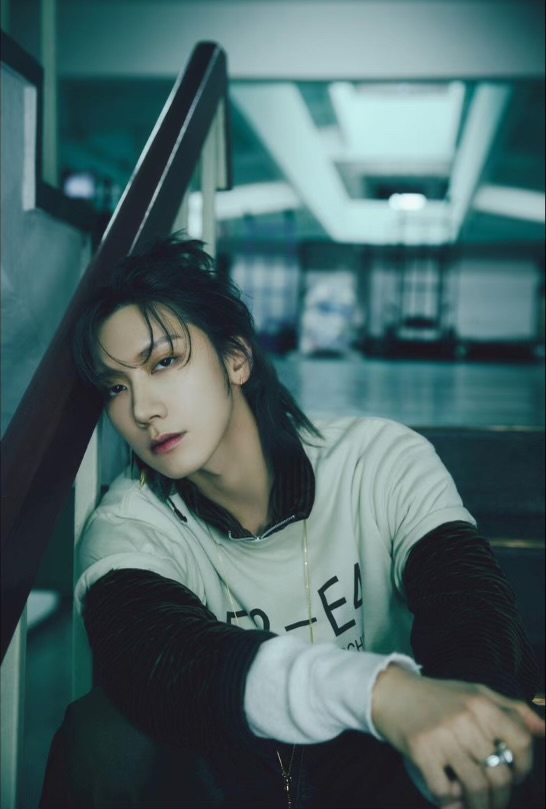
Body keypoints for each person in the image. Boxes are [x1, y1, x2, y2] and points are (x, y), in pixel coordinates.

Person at [40, 234, 544, 809]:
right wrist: (382, 692)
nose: (142, 409)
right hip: (235, 771)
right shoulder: (128, 526)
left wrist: (466, 724)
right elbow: (162, 660)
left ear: (236, 358)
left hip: (386, 761)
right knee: (103, 731)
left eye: (165, 362)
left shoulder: (378, 460)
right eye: (116, 386)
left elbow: (473, 606)